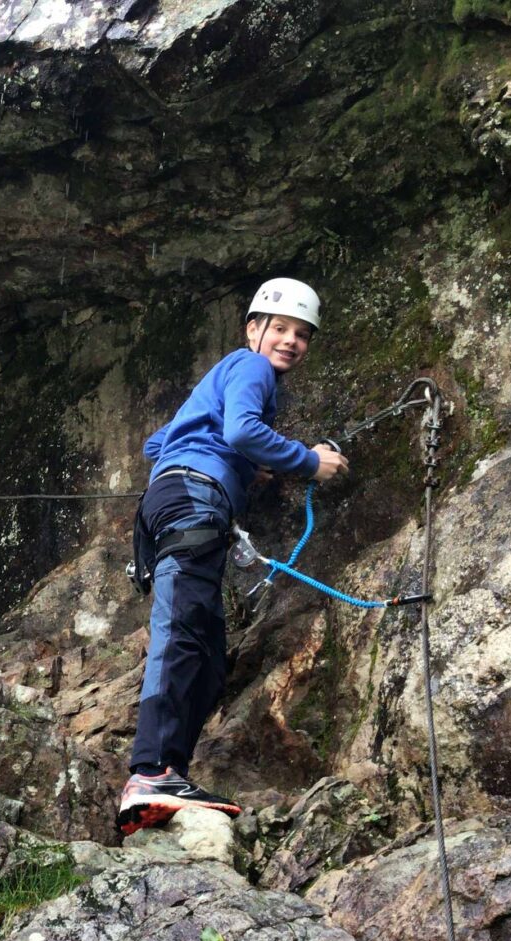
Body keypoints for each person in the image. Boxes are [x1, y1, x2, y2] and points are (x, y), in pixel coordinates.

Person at [116, 278, 349, 835]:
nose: (290, 341)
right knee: (182, 630)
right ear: (253, 329)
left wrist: (241, 465)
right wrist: (305, 461)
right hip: (194, 500)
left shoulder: (230, 375)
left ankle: (170, 773)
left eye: (302, 334)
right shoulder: (252, 369)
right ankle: (149, 770)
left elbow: (159, 442)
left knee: (209, 651)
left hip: (173, 502)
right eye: (280, 328)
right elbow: (242, 430)